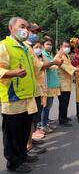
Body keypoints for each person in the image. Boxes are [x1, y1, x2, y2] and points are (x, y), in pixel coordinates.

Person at [0, 17, 39, 173]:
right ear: (11, 28)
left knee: (23, 130)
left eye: (27, 27)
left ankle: (22, 155)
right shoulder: (4, 46)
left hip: (26, 96)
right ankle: (13, 162)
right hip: (12, 97)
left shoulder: (24, 48)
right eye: (22, 26)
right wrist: (12, 73)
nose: (26, 30)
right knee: (12, 133)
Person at [55, 41, 79, 126]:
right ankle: (62, 120)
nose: (67, 48)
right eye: (65, 46)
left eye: (68, 46)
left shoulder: (66, 56)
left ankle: (64, 117)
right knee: (63, 102)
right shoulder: (59, 56)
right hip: (62, 83)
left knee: (66, 102)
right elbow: (68, 68)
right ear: (60, 47)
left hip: (66, 83)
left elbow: (71, 67)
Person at [41, 36, 61, 133]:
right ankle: (43, 125)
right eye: (47, 44)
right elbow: (46, 66)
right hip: (47, 84)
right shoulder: (43, 54)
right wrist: (54, 63)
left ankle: (46, 122)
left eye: (50, 44)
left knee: (49, 106)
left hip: (52, 84)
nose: (49, 46)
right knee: (46, 106)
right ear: (42, 45)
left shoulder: (49, 54)